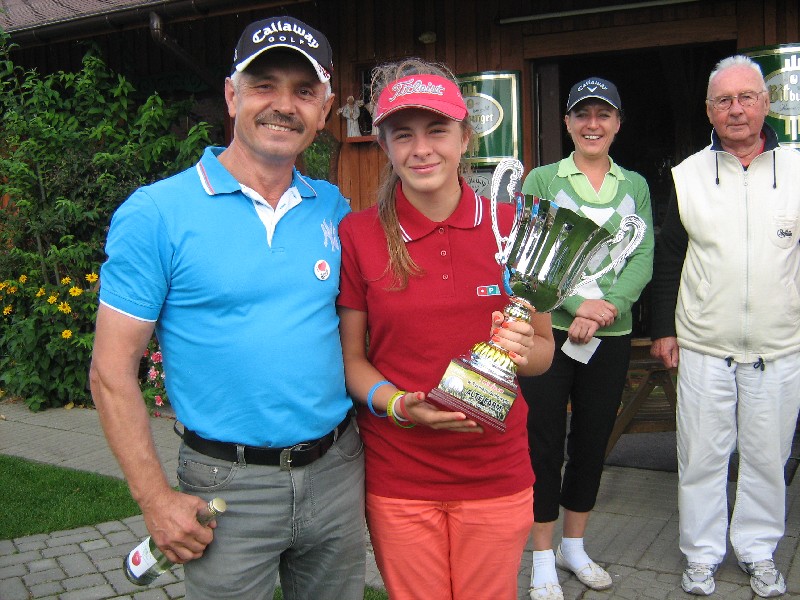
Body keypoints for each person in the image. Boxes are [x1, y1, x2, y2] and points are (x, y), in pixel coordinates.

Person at [89, 16, 366, 600]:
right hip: (225, 487)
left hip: (337, 473)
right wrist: (155, 500)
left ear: (324, 110)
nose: (284, 105)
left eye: (304, 91)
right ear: (232, 95)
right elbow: (111, 372)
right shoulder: (156, 213)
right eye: (264, 85)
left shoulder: (333, 208)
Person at [337, 58, 555, 600]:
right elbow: (352, 361)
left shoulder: (517, 225)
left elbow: (544, 353)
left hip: (495, 472)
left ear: (465, 138)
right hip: (400, 474)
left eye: (437, 130)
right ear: (384, 146)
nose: (421, 149)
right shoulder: (359, 234)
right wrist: (398, 404)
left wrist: (522, 347)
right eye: (402, 134)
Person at [650, 55, 800, 598]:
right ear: (710, 110)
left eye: (746, 97)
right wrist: (664, 328)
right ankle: (701, 554)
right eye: (724, 100)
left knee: (767, 458)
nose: (736, 109)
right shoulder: (689, 175)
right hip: (704, 344)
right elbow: (669, 258)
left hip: (779, 346)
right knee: (701, 456)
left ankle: (758, 550)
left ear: (765, 103)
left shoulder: (797, 170)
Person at [518, 77, 654, 600]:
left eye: (603, 115)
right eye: (582, 115)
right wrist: (576, 306)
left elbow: (642, 256)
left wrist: (607, 309)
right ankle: (541, 556)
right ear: (568, 123)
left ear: (617, 123)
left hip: (610, 335)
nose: (592, 124)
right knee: (543, 441)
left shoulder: (634, 185)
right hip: (548, 332)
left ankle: (573, 547)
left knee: (593, 440)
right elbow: (530, 252)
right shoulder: (544, 179)